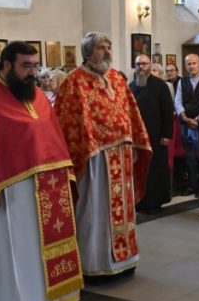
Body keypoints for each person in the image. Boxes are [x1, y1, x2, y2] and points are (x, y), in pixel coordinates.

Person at [0, 42, 83, 301]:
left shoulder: (37, 96)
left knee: (44, 247)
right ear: (5, 65)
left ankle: (58, 295)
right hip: (7, 195)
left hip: (48, 189)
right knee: (16, 250)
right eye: (26, 66)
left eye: (35, 66)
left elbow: (53, 137)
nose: (33, 72)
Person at [55, 33, 152, 276]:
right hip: (94, 160)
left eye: (109, 47)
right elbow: (65, 122)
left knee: (124, 209)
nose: (108, 52)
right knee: (94, 209)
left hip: (122, 156)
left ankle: (124, 260)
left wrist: (137, 143)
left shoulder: (117, 79)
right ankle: (95, 264)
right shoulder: (74, 81)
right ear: (87, 53)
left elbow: (132, 113)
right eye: (101, 48)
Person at [130, 54, 175, 213]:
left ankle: (155, 202)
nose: (141, 67)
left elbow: (168, 111)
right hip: (137, 138)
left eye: (144, 64)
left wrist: (166, 134)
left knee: (155, 169)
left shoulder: (160, 85)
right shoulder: (132, 86)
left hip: (156, 135)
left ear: (150, 65)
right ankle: (140, 201)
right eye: (138, 64)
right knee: (140, 169)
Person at [174, 53, 199, 196]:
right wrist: (185, 117)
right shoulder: (182, 82)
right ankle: (192, 185)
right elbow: (177, 102)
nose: (192, 66)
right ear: (185, 66)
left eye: (194, 63)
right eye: (188, 64)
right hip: (186, 121)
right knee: (189, 156)